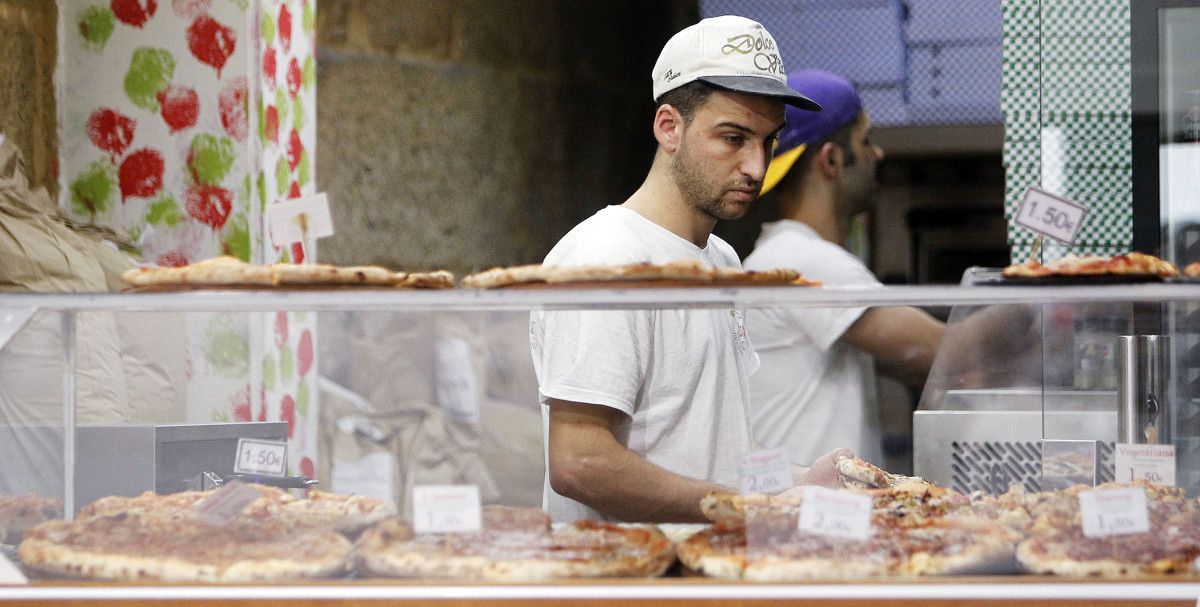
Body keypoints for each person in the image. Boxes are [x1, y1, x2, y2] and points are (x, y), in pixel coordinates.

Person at [529, 16, 852, 523]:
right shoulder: (605, 259)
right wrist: (748, 509)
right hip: (628, 586)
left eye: (767, 142)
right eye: (733, 138)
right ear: (669, 127)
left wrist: (802, 481)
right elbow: (579, 462)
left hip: (705, 573)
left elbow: (716, 450)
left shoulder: (721, 260)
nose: (756, 167)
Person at [742, 69, 945, 466]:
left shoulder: (780, 255)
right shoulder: (804, 262)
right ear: (832, 160)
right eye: (865, 141)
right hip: (813, 515)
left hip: (809, 511)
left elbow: (902, 359)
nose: (878, 155)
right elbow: (940, 351)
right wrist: (1036, 310)